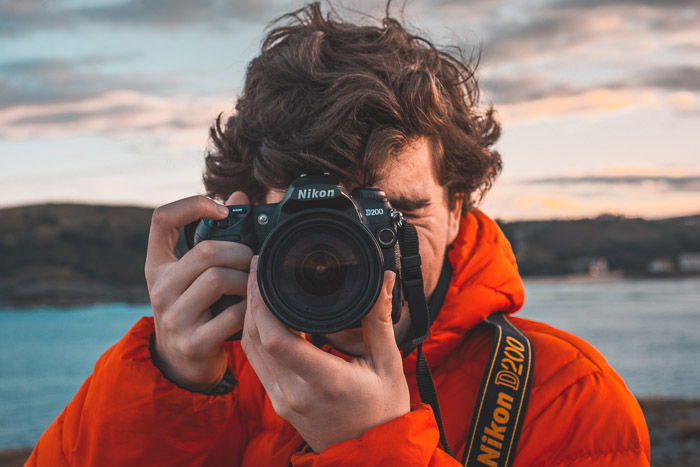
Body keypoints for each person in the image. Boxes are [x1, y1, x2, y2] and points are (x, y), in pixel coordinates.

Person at [27, 3, 650, 465]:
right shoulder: (209, 369)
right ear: (247, 215)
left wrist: (372, 448)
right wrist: (172, 382)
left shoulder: (565, 398)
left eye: (396, 215)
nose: (354, 259)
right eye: (315, 227)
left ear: (458, 208)